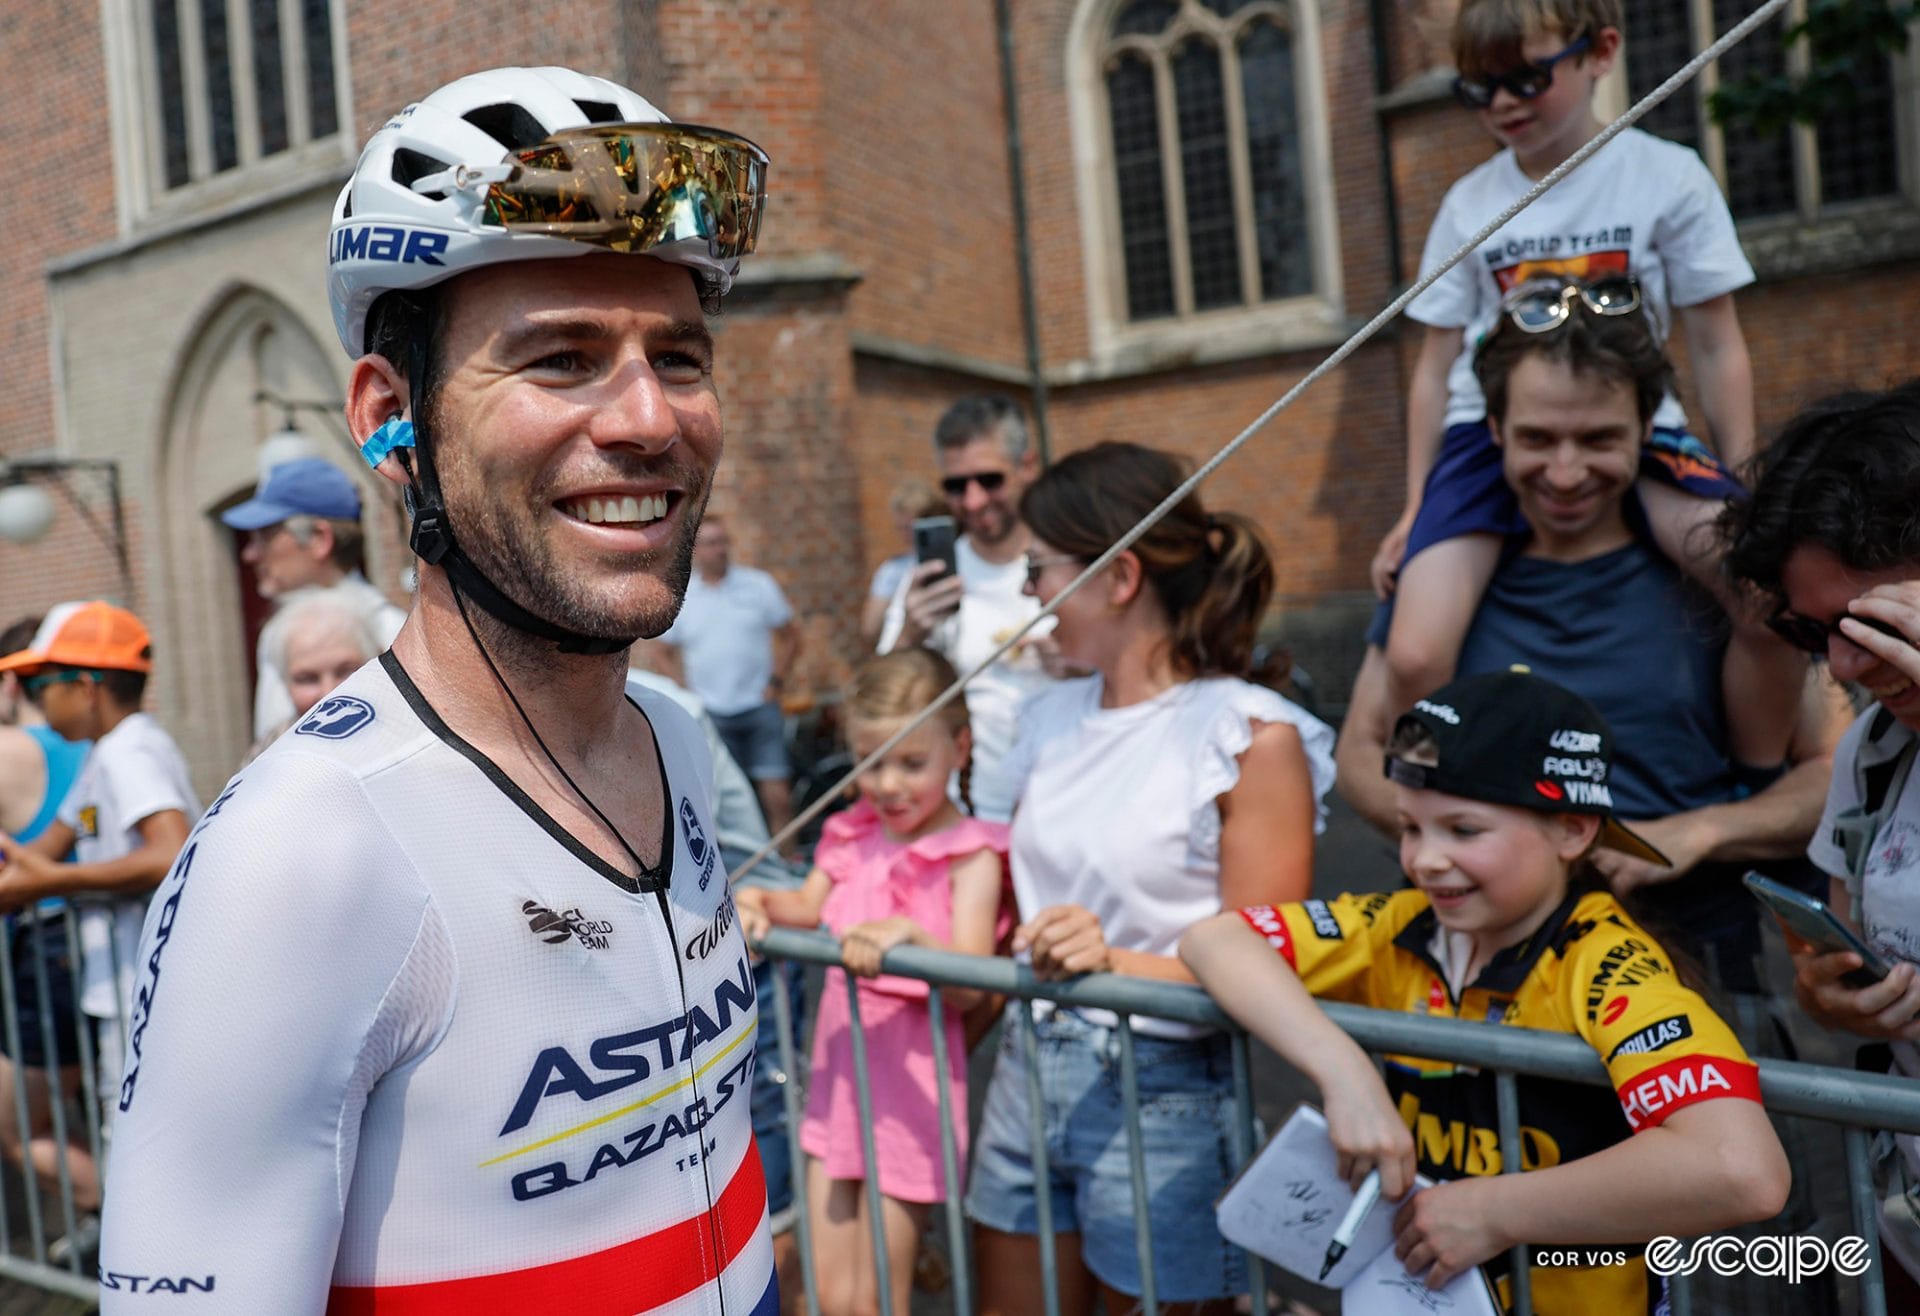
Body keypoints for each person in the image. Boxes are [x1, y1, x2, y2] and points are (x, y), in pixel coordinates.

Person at [99, 67, 778, 1311]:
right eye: (562, 358)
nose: (646, 418)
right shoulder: (303, 856)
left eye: (679, 358)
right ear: (389, 417)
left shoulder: (672, 739)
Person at [1181, 670, 1792, 1311]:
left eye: (1463, 830)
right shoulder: (1403, 921)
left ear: (1574, 830)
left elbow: (1742, 1169)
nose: (1424, 860)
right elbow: (1215, 941)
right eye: (1411, 828)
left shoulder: (1605, 962)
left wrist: (1492, 1212)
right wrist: (1345, 1075)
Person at [1339, 298, 1842, 999]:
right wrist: (1485, 842)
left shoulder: (1721, 580)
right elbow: (1361, 754)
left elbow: (1831, 772)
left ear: (1647, 429)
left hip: (1688, 959)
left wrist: (1701, 832)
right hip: (1477, 974)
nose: (1567, 472)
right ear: (1494, 432)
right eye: (1537, 439)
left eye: (1600, 439)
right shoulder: (1437, 574)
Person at [1371, 0, 1801, 768]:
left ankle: (1753, 775)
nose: (1502, 104)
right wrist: (1414, 505)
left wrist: (1742, 475)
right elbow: (1433, 369)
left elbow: (1715, 340)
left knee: (1761, 594)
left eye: (1526, 79)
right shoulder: (1468, 204)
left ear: (1601, 52)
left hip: (1640, 431)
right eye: (1478, 89)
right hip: (1490, 436)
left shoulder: (1666, 177)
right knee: (1411, 652)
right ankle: (1437, 806)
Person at [965, 441, 1335, 1315]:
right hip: (1028, 1064)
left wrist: (1110, 962)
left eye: (1038, 567)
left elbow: (1270, 965)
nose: (1026, 592)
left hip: (1166, 1086)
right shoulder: (1045, 716)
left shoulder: (1249, 734)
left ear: (1118, 576)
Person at [1719, 378, 1920, 1305]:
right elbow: (1839, 940)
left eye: (1870, 624)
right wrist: (1835, 996)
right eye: (1814, 631)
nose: (1840, 666)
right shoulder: (1876, 746)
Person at [737, 647, 1010, 1316]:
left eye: (911, 763)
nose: (888, 784)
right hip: (837, 1083)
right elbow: (804, 906)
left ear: (960, 748)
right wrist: (754, 904)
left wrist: (915, 940)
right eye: (871, 763)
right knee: (830, 1295)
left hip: (908, 1095)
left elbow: (975, 979)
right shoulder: (850, 831)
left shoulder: (971, 855)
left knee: (876, 1301)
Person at [883, 395, 1059, 823]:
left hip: (1069, 799)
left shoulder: (1069, 562)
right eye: (956, 485)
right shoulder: (931, 580)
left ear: (1027, 467)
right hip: (974, 813)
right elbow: (882, 703)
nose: (974, 500)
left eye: (990, 480)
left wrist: (1080, 664)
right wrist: (910, 634)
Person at [0, 613, 96, 1258]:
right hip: (93, 941)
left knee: (14, 1123)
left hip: (48, 952)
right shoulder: (88, 742)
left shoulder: (9, 751)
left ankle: (127, 1217)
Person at [222, 456, 407, 740]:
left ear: (320, 538)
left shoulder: (393, 631)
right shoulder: (276, 632)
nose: (250, 554)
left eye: (265, 536)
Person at [657, 515, 801, 838]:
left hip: (758, 705)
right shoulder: (683, 596)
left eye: (723, 542)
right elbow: (662, 652)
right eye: (711, 543)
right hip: (711, 714)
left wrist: (776, 681)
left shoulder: (757, 585)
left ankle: (788, 867)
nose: (720, 550)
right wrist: (686, 693)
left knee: (777, 795)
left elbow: (791, 636)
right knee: (722, 803)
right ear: (694, 550)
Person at [242, 587, 384, 760]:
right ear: (285, 682)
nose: (328, 693)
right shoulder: (266, 760)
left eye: (345, 671)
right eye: (307, 679)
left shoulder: (411, 739)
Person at [860, 478, 942, 649]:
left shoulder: (952, 559)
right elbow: (870, 629)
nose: (907, 535)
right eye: (901, 528)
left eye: (911, 528)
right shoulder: (892, 570)